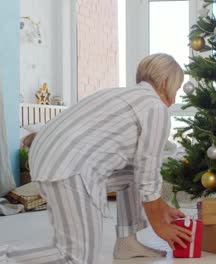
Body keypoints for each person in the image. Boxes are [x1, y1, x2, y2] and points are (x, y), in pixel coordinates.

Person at [5, 53, 192, 264]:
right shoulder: (154, 107)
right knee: (76, 256)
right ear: (166, 82)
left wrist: (161, 207)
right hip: (70, 165)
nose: (174, 98)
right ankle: (5, 255)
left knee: (131, 174)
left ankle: (127, 242)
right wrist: (160, 224)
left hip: (49, 156)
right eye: (176, 89)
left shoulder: (120, 95)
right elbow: (149, 171)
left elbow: (140, 172)